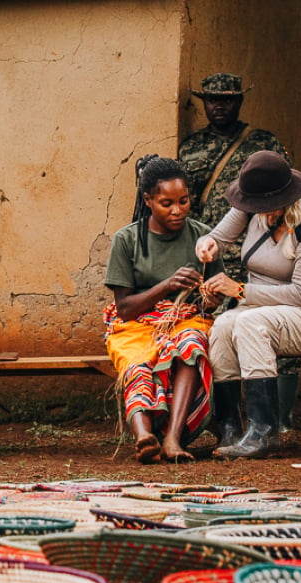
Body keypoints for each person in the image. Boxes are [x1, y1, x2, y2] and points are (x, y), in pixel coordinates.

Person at [179, 71, 300, 432]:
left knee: (278, 333)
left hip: (262, 258)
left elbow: (282, 194)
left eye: (228, 99)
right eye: (213, 100)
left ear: (240, 101)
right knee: (218, 333)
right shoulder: (191, 147)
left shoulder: (263, 144)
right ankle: (224, 421)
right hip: (214, 257)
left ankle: (279, 419)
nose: (219, 106)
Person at [196, 151, 301, 458]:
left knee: (248, 322)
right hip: (259, 310)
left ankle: (263, 432)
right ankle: (230, 428)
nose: (265, 214)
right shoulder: (251, 206)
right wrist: (206, 246)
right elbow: (216, 238)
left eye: (270, 208)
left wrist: (241, 290)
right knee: (221, 326)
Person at [103, 155, 225, 464]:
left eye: (183, 201)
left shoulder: (202, 237)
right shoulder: (127, 239)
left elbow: (212, 300)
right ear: (148, 200)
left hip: (186, 321)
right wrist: (167, 285)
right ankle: (144, 435)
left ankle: (172, 438)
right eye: (166, 203)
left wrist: (211, 298)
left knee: (191, 345)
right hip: (137, 324)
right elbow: (125, 309)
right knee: (138, 364)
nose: (177, 210)